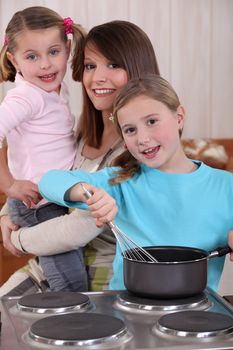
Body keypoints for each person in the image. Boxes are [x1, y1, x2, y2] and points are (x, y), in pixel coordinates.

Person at [0, 21, 160, 293]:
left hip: (102, 282)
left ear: (138, 71)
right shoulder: (80, 134)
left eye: (113, 65)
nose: (98, 77)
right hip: (47, 267)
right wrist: (8, 210)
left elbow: (83, 225)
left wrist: (19, 238)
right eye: (90, 66)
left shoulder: (140, 148)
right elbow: (35, 164)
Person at [38, 74, 233, 293]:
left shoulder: (226, 187)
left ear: (179, 117)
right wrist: (86, 193)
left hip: (197, 317)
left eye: (151, 121)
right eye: (130, 130)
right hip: (127, 312)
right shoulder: (121, 181)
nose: (142, 138)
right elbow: (49, 181)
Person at [0, 6, 88, 291]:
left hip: (55, 198)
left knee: (65, 275)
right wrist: (9, 185)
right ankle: (70, 328)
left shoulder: (57, 89)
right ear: (14, 60)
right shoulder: (26, 97)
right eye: (32, 57)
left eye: (53, 52)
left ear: (68, 47)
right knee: (70, 284)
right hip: (38, 205)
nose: (46, 65)